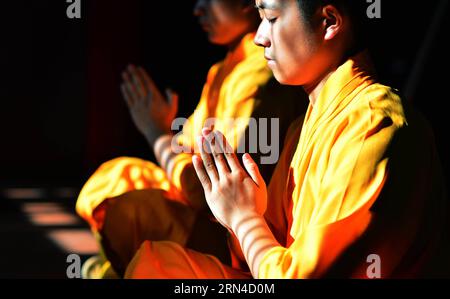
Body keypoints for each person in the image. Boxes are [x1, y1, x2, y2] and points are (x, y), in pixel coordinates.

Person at [125, 0, 447, 278]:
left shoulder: (375, 125)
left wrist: (245, 218)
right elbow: (259, 255)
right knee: (157, 264)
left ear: (329, 22)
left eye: (271, 18)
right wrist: (236, 202)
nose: (260, 38)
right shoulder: (303, 126)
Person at [76, 0, 307, 278]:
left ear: (248, 3)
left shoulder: (263, 71)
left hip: (234, 234)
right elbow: (186, 150)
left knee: (130, 211)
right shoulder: (224, 69)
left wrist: (157, 134)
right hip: (210, 207)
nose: (197, 9)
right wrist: (164, 134)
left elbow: (212, 189)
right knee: (120, 175)